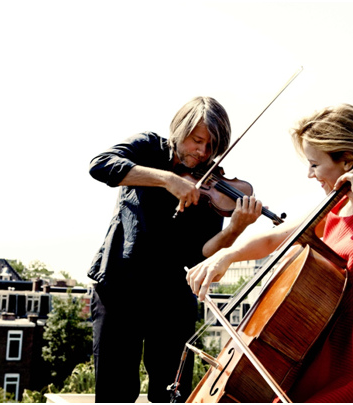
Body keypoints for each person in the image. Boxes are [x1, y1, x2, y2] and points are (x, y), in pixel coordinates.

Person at [187, 103, 353, 402]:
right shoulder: (332, 209)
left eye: (314, 164)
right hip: (320, 357)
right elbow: (273, 238)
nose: (309, 174)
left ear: (347, 161)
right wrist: (225, 256)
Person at [88, 96, 262, 403]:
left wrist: (235, 229)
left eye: (211, 146)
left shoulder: (212, 186)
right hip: (120, 286)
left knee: (173, 393)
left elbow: (201, 254)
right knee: (115, 391)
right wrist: (166, 179)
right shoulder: (148, 148)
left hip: (172, 295)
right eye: (197, 140)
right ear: (180, 129)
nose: (203, 153)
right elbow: (101, 165)